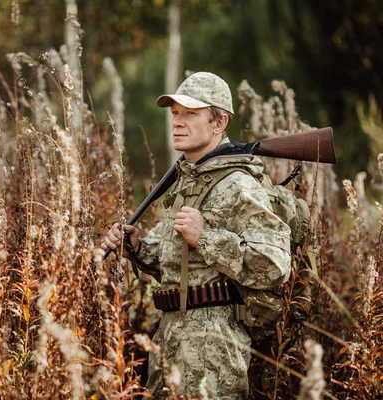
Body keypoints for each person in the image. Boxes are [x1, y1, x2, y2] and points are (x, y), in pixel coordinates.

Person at [101, 72, 291, 399]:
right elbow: (180, 266)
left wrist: (206, 238)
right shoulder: (187, 183)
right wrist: (137, 249)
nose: (177, 121)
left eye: (191, 114)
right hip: (171, 337)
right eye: (175, 113)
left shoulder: (237, 184)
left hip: (213, 349)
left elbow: (275, 263)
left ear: (219, 123)